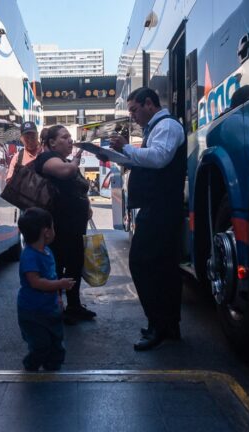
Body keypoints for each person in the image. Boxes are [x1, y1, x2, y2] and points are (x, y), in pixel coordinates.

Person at [107, 87, 186, 351]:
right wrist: (116, 156)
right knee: (163, 268)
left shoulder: (166, 126)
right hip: (160, 207)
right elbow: (150, 160)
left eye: (134, 110)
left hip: (161, 208)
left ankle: (158, 325)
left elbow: (159, 158)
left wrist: (126, 148)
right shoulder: (158, 128)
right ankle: (168, 325)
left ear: (149, 104)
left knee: (142, 264)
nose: (133, 117)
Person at [35, 125, 96, 324]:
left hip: (74, 227)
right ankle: (56, 308)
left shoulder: (65, 160)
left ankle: (74, 305)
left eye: (70, 137)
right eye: (65, 137)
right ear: (52, 142)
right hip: (57, 228)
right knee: (57, 265)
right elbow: (65, 172)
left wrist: (85, 206)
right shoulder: (46, 158)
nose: (70, 140)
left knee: (74, 265)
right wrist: (77, 160)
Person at [17, 207, 76, 371]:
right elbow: (35, 282)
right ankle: (31, 364)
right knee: (40, 344)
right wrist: (60, 285)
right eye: (53, 226)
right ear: (46, 232)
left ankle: (53, 367)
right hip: (32, 311)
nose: (54, 230)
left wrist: (58, 296)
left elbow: (51, 276)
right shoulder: (29, 256)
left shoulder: (48, 252)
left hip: (50, 308)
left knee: (57, 342)